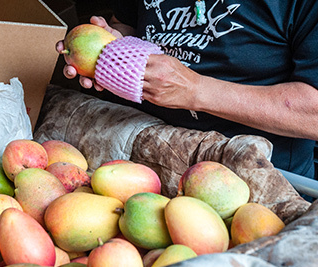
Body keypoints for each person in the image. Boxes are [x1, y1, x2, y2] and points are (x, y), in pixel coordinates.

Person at [56, 1, 318, 187]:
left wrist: (196, 90)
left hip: (249, 178)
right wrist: (114, 49)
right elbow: (127, 24)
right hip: (139, 157)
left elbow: (313, 113)